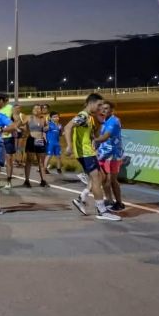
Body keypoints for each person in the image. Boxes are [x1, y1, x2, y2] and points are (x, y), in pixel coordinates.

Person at [64, 93, 121, 221]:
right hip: (85, 153)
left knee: (100, 177)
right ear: (91, 103)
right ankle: (101, 210)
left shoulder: (89, 117)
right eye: (99, 105)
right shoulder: (83, 116)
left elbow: (92, 134)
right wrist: (69, 146)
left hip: (89, 152)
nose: (100, 108)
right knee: (96, 179)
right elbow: (68, 127)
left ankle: (81, 199)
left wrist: (98, 123)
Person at [94, 101, 125, 211]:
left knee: (111, 180)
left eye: (106, 108)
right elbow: (100, 134)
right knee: (104, 180)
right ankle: (109, 200)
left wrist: (93, 140)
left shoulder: (114, 121)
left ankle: (119, 203)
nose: (103, 110)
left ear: (112, 110)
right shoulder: (105, 121)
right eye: (102, 108)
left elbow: (105, 137)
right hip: (103, 154)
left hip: (113, 155)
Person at [23, 104, 49, 187]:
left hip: (40, 140)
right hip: (31, 140)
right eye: (34, 108)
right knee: (29, 160)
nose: (36, 110)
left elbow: (46, 127)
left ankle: (43, 180)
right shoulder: (28, 117)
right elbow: (21, 125)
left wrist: (47, 128)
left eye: (38, 108)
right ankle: (27, 180)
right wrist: (23, 130)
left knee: (41, 162)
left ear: (41, 110)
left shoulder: (43, 119)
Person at [0, 93, 17, 189]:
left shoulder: (10, 108)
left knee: (9, 159)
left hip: (8, 137)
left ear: (2, 100)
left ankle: (9, 181)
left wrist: (12, 128)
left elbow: (17, 120)